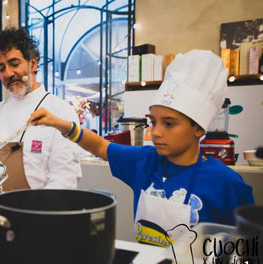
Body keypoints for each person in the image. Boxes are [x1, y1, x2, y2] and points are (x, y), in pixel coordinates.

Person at [28, 50, 255, 247]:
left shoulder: (228, 183)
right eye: (153, 122)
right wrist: (57, 123)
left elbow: (247, 252)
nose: (155, 132)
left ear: (198, 128)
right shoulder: (144, 162)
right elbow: (99, 145)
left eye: (169, 123)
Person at [0, 28, 81, 206]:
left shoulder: (60, 112)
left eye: (14, 64)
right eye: (1, 68)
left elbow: (65, 179)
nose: (8, 73)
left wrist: (35, 216)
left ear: (33, 64)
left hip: (36, 220)